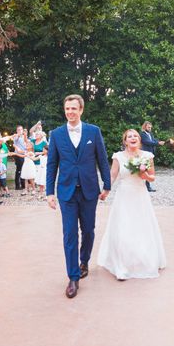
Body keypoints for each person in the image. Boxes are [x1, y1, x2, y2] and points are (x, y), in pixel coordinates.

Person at [46, 94, 111, 298]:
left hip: (89, 190)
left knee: (89, 230)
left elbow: (102, 159)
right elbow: (52, 165)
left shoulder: (93, 131)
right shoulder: (56, 134)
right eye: (67, 109)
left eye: (74, 108)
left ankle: (84, 261)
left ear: (81, 110)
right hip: (66, 192)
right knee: (69, 233)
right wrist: (49, 192)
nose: (70, 112)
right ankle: (73, 277)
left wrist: (107, 185)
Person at [97, 129, 166, 279]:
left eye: (135, 136)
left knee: (141, 228)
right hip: (123, 196)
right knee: (123, 228)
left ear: (139, 140)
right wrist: (105, 191)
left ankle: (143, 261)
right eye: (129, 136)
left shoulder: (147, 156)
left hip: (140, 196)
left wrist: (145, 175)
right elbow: (112, 175)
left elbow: (152, 177)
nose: (133, 138)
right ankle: (121, 266)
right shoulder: (118, 156)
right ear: (125, 141)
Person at [140, 121, 164, 192]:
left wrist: (159, 142)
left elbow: (153, 140)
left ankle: (147, 187)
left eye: (150, 127)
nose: (150, 128)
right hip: (145, 154)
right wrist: (158, 143)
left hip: (150, 154)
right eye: (148, 127)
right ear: (144, 127)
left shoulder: (150, 134)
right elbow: (148, 142)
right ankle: (146, 187)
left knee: (148, 170)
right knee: (144, 170)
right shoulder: (142, 134)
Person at [12, 125, 27, 190]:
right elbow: (16, 139)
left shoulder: (24, 137)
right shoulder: (16, 136)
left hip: (24, 154)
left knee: (23, 169)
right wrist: (18, 134)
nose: (20, 131)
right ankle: (17, 186)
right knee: (19, 170)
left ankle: (23, 185)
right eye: (19, 129)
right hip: (18, 155)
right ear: (17, 130)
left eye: (21, 129)